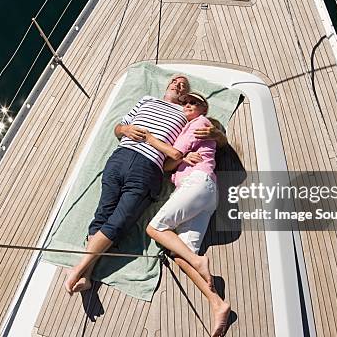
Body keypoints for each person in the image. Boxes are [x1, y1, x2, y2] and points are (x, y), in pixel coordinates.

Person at [64, 75, 225, 294]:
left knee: (120, 220)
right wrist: (125, 130)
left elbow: (212, 136)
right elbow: (119, 127)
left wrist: (211, 135)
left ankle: (78, 270)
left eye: (184, 87)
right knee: (102, 214)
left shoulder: (186, 116)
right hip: (119, 157)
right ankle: (87, 276)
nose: (179, 85)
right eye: (175, 81)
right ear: (167, 85)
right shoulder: (147, 100)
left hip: (148, 166)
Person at [144, 91, 231, 337]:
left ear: (204, 108)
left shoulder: (199, 124)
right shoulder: (191, 129)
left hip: (197, 183)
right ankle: (218, 304)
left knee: (155, 228)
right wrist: (179, 158)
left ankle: (200, 262)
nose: (188, 105)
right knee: (180, 255)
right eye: (186, 103)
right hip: (205, 195)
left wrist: (177, 157)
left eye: (194, 102)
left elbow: (170, 159)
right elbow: (172, 162)